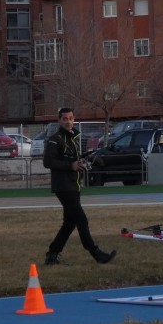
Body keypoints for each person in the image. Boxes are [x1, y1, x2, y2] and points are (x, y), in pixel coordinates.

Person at [43, 107, 116, 266]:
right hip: (63, 186)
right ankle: (95, 253)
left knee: (70, 223)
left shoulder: (73, 138)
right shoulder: (55, 138)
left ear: (74, 119)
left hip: (73, 184)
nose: (68, 122)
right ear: (59, 120)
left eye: (70, 118)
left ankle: (52, 254)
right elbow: (48, 162)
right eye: (65, 119)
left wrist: (86, 159)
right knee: (81, 219)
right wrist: (71, 166)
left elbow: (73, 161)